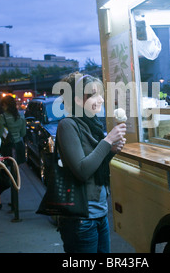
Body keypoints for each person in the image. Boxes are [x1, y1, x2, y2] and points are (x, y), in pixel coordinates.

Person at [56, 72, 126, 253]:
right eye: (93, 94)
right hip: (81, 219)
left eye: (101, 94)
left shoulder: (92, 124)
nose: (100, 99)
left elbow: (96, 163)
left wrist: (111, 152)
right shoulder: (68, 125)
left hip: (100, 213)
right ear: (78, 99)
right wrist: (107, 142)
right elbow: (82, 170)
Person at [0, 95, 26, 208]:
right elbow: (23, 134)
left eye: (3, 105)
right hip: (18, 147)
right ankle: (15, 203)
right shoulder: (21, 115)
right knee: (15, 173)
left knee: (2, 173)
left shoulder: (2, 117)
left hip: (7, 148)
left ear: (5, 105)